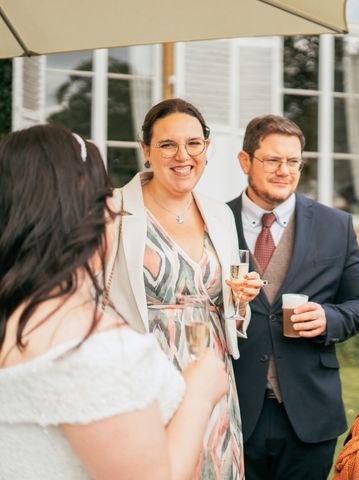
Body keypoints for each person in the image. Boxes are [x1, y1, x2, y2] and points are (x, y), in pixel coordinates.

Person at [0, 125, 227, 479]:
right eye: (102, 192)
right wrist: (199, 396)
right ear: (79, 210)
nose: (112, 205)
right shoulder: (89, 349)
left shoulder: (17, 317)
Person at [108, 98, 263, 479]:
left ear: (206, 148)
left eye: (194, 143)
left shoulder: (220, 215)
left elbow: (226, 308)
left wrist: (240, 300)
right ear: (146, 150)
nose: (184, 155)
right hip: (144, 382)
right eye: (168, 145)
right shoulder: (112, 211)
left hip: (212, 380)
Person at [226, 114, 359, 479]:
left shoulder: (335, 224)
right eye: (273, 160)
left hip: (310, 412)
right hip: (235, 409)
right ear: (246, 161)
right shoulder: (214, 222)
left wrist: (328, 319)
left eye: (293, 161)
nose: (284, 170)